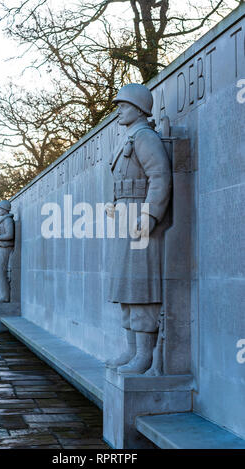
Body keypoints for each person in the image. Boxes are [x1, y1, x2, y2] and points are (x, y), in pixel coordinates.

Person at [105, 83, 172, 374]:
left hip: (140, 220)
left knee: (141, 286)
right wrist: (115, 204)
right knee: (125, 285)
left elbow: (159, 177)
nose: (118, 109)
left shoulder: (144, 137)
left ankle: (144, 355)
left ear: (139, 108)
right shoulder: (129, 137)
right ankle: (131, 350)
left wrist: (149, 215)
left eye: (123, 104)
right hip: (125, 216)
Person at [0, 200, 15, 302]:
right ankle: (3, 294)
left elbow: (10, 235)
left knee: (1, 271)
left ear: (5, 209)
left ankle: (5, 296)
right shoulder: (2, 221)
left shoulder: (8, 220)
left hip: (5, 248)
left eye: (0, 208)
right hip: (0, 247)